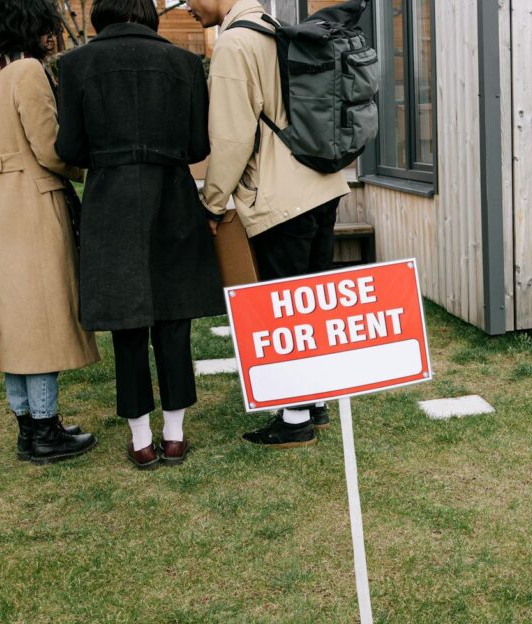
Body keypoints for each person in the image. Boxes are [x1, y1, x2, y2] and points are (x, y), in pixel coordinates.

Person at [55, 0, 223, 470]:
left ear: (100, 16)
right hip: (171, 194)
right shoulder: (185, 63)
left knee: (127, 323)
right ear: (149, 15)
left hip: (111, 201)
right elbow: (198, 146)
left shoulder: (75, 64)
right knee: (174, 317)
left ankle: (140, 440)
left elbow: (68, 147)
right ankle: (174, 436)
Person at [186, 0, 351, 449]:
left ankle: (294, 417)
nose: (187, 9)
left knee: (285, 308)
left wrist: (213, 202)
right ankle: (315, 404)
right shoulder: (276, 30)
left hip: (281, 197)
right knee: (311, 305)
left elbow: (232, 136)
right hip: (322, 185)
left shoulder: (235, 43)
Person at [0, 0, 100, 465]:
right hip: (30, 201)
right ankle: (45, 428)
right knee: (40, 317)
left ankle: (28, 427)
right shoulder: (25, 72)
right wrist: (90, 171)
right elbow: (50, 148)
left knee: (11, 318)